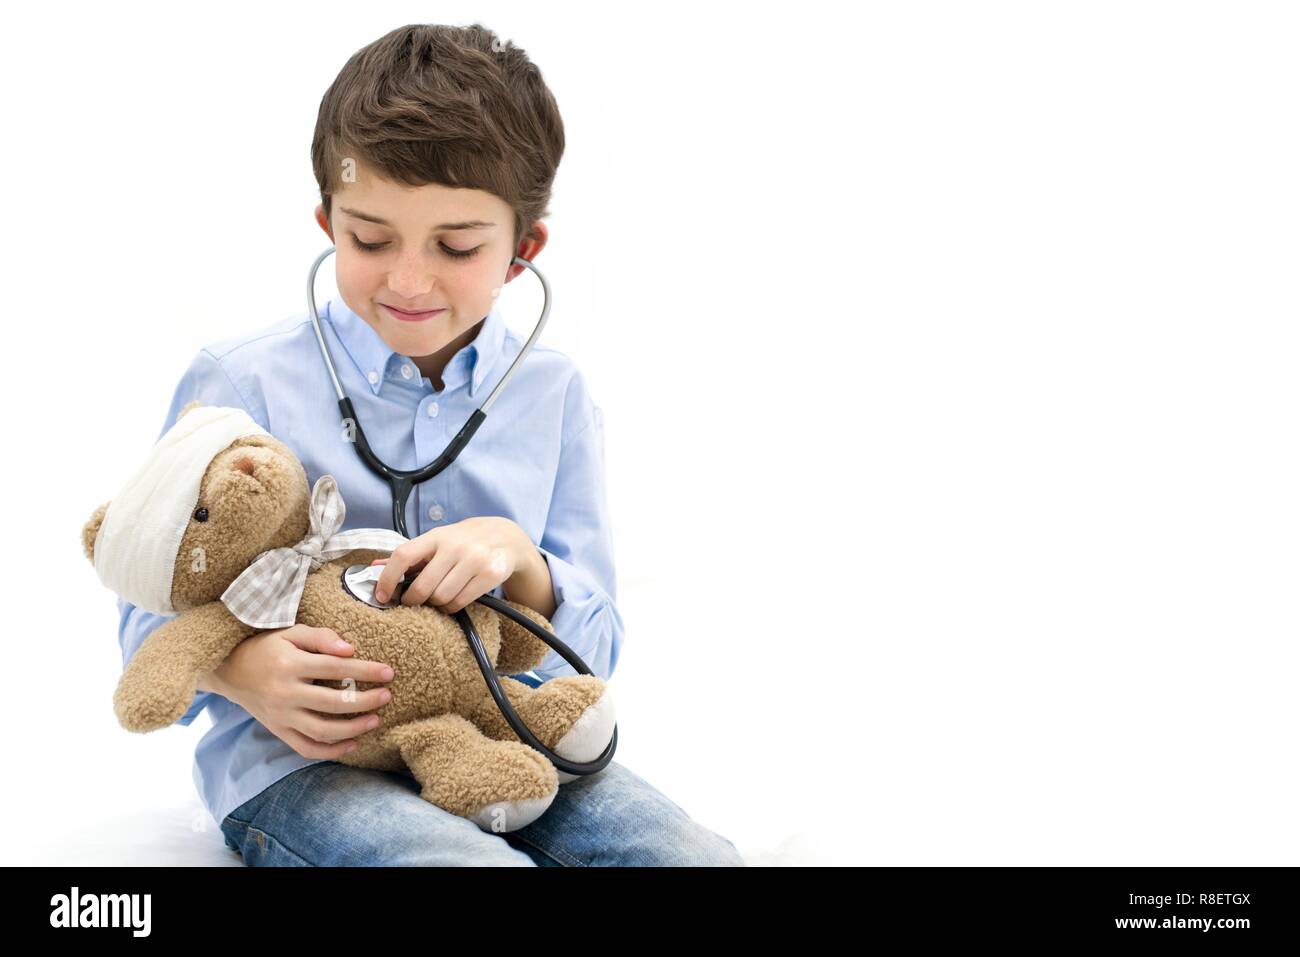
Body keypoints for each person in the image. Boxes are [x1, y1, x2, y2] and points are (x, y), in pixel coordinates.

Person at [115, 22, 744, 867]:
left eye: (456, 246)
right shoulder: (240, 382)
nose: (409, 280)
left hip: (500, 732)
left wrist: (523, 562)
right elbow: (145, 608)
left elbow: (595, 650)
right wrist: (241, 671)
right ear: (327, 220)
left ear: (524, 251)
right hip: (300, 759)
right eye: (370, 239)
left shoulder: (552, 397)